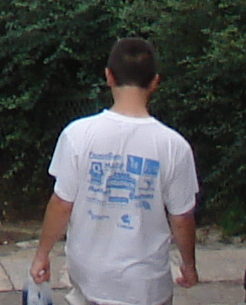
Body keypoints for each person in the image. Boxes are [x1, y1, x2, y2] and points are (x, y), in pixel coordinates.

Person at [33, 36, 201, 305]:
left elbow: (62, 203)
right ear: (155, 81)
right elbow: (181, 217)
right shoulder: (174, 146)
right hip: (147, 284)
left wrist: (42, 254)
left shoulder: (77, 134)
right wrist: (189, 265)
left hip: (90, 275)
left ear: (108, 76)